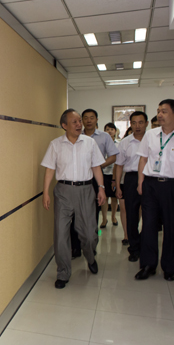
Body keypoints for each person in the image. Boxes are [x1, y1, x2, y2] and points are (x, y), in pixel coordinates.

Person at [41, 109, 106, 289]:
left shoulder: (90, 143)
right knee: (61, 233)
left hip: (86, 190)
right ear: (64, 125)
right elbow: (49, 169)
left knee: (90, 234)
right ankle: (63, 272)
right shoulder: (55, 145)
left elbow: (96, 167)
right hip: (63, 191)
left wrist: (101, 188)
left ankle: (90, 257)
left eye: (79, 121)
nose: (79, 124)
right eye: (74, 122)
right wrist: (45, 192)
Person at [135, 99, 174, 281]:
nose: (159, 115)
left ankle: (169, 267)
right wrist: (140, 182)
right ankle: (148, 265)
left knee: (172, 226)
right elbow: (143, 159)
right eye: (158, 111)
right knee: (148, 225)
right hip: (150, 184)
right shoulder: (150, 135)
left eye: (164, 111)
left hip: (173, 186)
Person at [70, 109, 119, 258]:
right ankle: (75, 247)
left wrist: (98, 166)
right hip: (77, 177)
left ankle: (91, 246)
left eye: (92, 118)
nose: (89, 120)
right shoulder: (75, 134)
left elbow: (113, 156)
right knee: (75, 213)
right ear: (82, 121)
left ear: (97, 119)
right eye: (85, 118)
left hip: (96, 178)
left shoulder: (104, 136)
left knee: (93, 213)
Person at [114, 112, 148, 262]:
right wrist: (118, 185)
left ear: (146, 123)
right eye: (134, 123)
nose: (137, 126)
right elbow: (119, 165)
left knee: (150, 215)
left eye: (140, 122)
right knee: (131, 214)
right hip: (131, 179)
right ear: (130, 124)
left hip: (149, 179)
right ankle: (134, 248)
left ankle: (145, 245)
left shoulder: (152, 139)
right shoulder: (125, 142)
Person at [100, 122, 119, 228]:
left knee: (114, 198)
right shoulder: (102, 143)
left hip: (114, 174)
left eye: (112, 129)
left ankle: (113, 217)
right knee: (104, 197)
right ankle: (104, 219)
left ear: (115, 131)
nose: (110, 131)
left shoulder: (119, 144)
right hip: (103, 173)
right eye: (107, 129)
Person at [118, 127, 134, 245]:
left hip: (141, 180)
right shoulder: (124, 144)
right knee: (123, 208)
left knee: (137, 209)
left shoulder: (147, 141)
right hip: (124, 180)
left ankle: (133, 230)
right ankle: (126, 234)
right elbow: (117, 165)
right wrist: (116, 182)